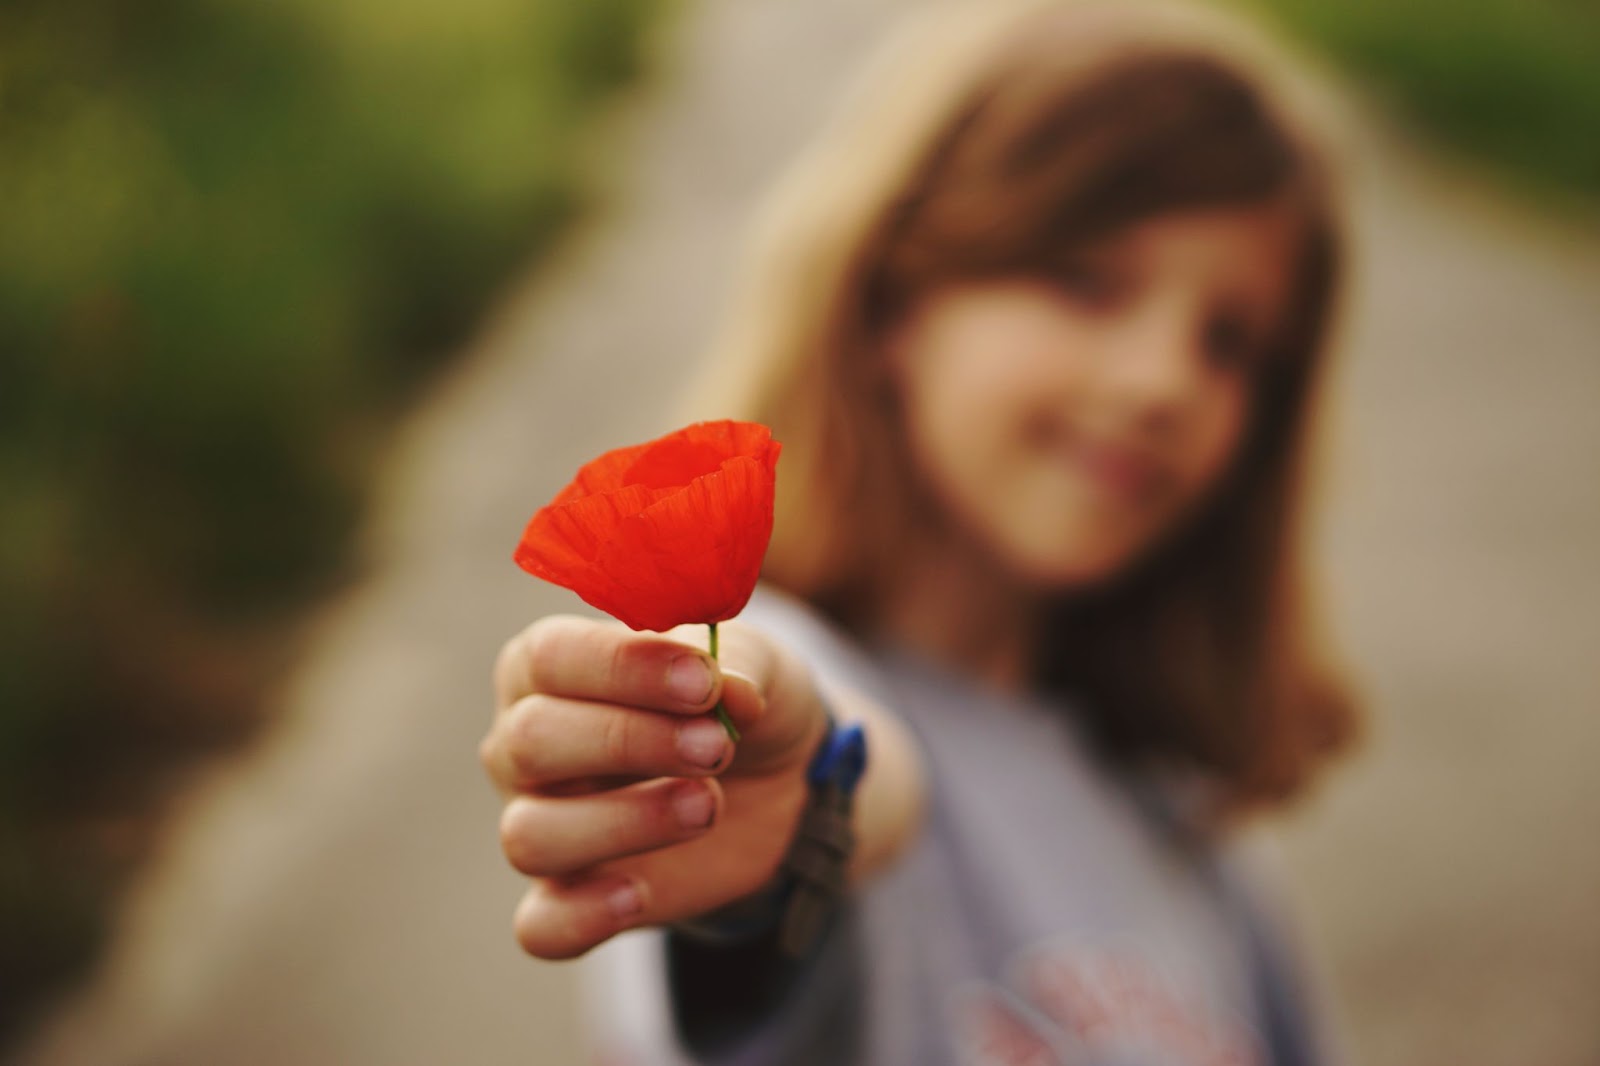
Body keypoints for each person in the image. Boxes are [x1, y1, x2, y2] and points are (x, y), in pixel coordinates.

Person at [480, 0, 1363, 1062]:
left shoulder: (1193, 831)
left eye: (1230, 342)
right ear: (892, 296)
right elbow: (839, 769)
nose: (1162, 380)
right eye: (1086, 284)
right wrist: (802, 819)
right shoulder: (782, 703)